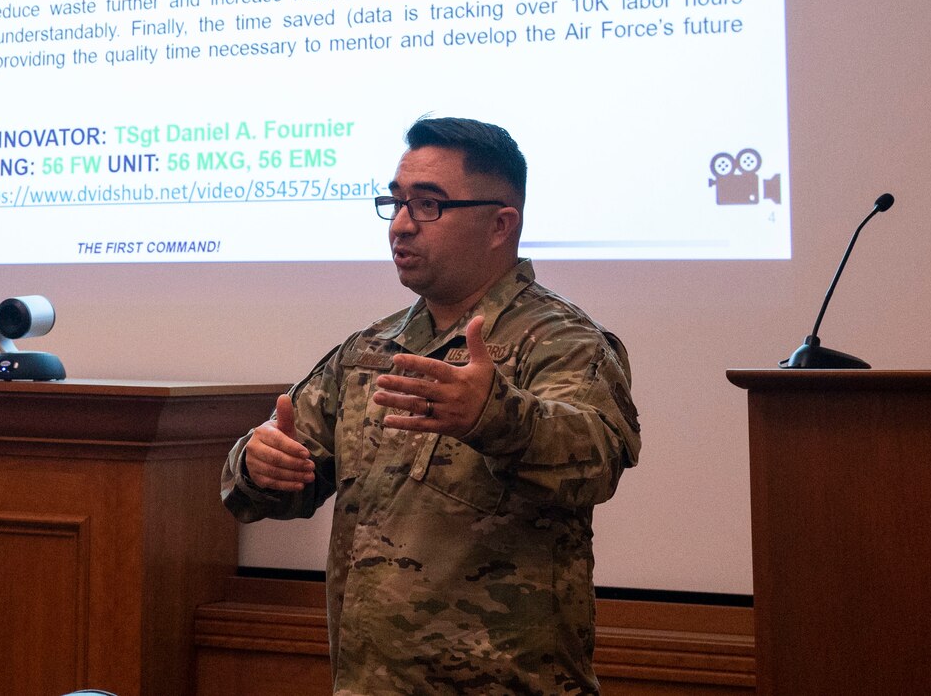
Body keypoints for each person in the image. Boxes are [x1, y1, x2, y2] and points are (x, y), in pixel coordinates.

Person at [220, 117, 639, 696]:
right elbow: (270, 480)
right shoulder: (370, 350)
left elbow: (596, 460)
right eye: (395, 202)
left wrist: (494, 417)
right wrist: (257, 464)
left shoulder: (562, 341)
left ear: (500, 224)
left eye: (429, 205)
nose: (401, 225)